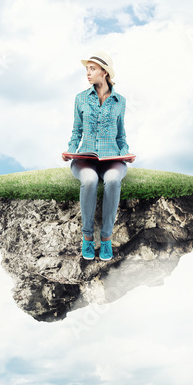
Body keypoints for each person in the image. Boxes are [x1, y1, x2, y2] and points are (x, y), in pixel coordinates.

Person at [61, 51, 132, 261]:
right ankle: (88, 237)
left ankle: (107, 238)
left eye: (92, 69)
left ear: (104, 72)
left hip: (112, 159)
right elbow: (76, 132)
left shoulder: (120, 101)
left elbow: (121, 135)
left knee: (112, 180)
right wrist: (70, 151)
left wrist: (125, 152)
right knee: (90, 180)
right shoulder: (80, 98)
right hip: (85, 159)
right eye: (87, 69)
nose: (88, 73)